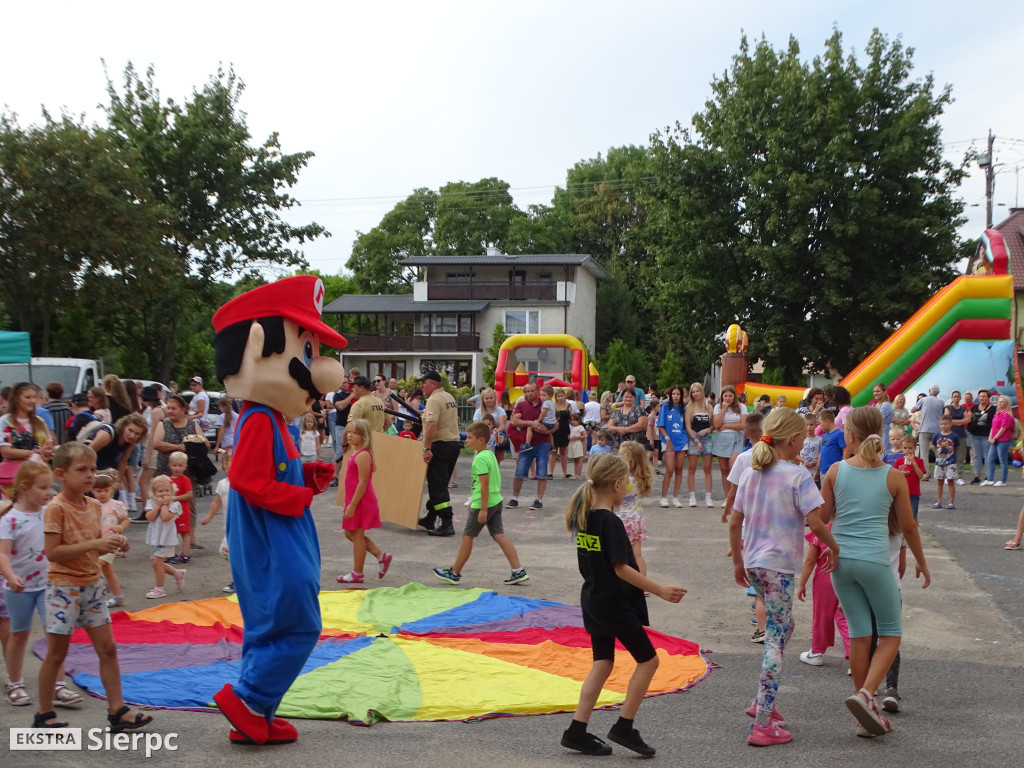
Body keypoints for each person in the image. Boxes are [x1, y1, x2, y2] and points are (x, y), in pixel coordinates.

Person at [209, 274, 342, 746]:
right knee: (297, 621)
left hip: (279, 527)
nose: (320, 372)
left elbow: (273, 471)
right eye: (306, 354)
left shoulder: (272, 420)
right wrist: (298, 495)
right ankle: (248, 698)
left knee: (271, 622)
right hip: (271, 534)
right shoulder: (261, 418)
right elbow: (247, 481)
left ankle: (257, 713)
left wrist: (306, 475)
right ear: (258, 346)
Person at [560, 453, 686, 757]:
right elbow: (621, 568)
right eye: (627, 481)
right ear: (617, 484)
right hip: (613, 603)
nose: (629, 485)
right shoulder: (611, 522)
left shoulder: (585, 515)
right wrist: (658, 589)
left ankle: (577, 730)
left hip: (592, 598)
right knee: (649, 661)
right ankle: (624, 726)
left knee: (602, 663)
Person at [820, 406, 931, 738]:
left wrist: (830, 545)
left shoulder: (835, 471)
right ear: (881, 434)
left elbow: (821, 518)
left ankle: (864, 715)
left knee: (859, 634)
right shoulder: (893, 476)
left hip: (842, 564)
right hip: (874, 561)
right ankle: (867, 694)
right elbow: (908, 527)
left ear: (849, 436)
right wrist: (922, 562)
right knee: (891, 634)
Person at [728, 408, 836, 746]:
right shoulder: (797, 476)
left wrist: (738, 562)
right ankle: (762, 723)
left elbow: (734, 522)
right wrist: (835, 547)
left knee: (784, 627)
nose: (806, 441)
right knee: (776, 637)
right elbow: (816, 522)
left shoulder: (751, 473)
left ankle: (762, 699)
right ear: (792, 440)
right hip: (779, 567)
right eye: (804, 436)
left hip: (755, 564)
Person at [34, 442, 153, 732]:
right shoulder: (56, 508)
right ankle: (45, 714)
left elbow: (95, 546)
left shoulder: (94, 505)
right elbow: (53, 552)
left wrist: (116, 542)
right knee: (57, 654)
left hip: (92, 586)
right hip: (63, 589)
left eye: (93, 469)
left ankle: (118, 709)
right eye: (82, 470)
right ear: (61, 473)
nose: (90, 475)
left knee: (108, 649)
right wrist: (97, 544)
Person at [0, 462, 82, 709]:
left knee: (54, 635)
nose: (49, 492)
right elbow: (3, 554)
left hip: (50, 585)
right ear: (23, 489)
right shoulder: (10, 519)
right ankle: (14, 683)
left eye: (50, 487)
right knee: (19, 634)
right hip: (19, 587)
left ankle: (58, 686)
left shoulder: (50, 511)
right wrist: (11, 576)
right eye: (43, 487)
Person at [433, 421, 528, 586]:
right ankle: (518, 570)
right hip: (495, 501)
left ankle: (455, 573)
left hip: (485, 504)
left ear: (481, 440)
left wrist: (482, 508)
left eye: (470, 438)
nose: (467, 440)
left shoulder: (480, 459)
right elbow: (483, 485)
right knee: (499, 535)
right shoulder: (489, 454)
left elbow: (484, 485)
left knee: (467, 537)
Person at [336, 419, 391, 584]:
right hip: (354, 499)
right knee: (350, 533)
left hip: (360, 501)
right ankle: (381, 556)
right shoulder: (356, 453)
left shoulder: (363, 455)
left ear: (364, 436)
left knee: (357, 534)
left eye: (354, 433)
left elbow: (363, 482)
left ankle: (357, 573)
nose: (350, 435)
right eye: (349, 432)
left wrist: (352, 505)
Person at [796, 521, 850, 670]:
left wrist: (802, 583)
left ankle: (817, 651)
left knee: (821, 615)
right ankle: (855, 655)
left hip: (825, 577)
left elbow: (811, 560)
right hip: (848, 576)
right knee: (845, 617)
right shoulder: (851, 528)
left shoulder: (822, 530)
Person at [415, 371, 462, 537]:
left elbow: (432, 425)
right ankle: (430, 517)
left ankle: (446, 523)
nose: (421, 386)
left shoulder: (434, 400)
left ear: (434, 384)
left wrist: (426, 449)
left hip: (440, 445)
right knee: (440, 482)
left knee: (437, 485)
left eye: (424, 382)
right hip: (453, 443)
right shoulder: (448, 397)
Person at [0, 382, 54, 498]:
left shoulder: (39, 422)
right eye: (27, 397)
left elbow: (48, 447)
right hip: (12, 478)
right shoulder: (5, 422)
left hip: (38, 477)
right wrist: (32, 453)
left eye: (34, 397)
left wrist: (47, 453)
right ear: (16, 399)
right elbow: (5, 451)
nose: (32, 401)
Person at [507, 381, 552, 511]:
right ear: (525, 392)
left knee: (542, 472)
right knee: (520, 471)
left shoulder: (546, 404)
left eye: (532, 391)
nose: (530, 393)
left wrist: (548, 431)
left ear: (538, 391)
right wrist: (531, 423)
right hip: (525, 444)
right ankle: (515, 498)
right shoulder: (521, 405)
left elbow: (556, 424)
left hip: (543, 442)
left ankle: (539, 499)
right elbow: (515, 421)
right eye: (527, 391)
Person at [144, 474, 187, 599]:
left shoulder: (175, 504)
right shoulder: (151, 503)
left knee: (157, 563)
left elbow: (165, 518)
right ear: (154, 492)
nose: (164, 494)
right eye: (160, 491)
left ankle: (160, 588)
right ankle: (177, 574)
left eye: (167, 491)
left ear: (172, 491)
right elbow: (149, 517)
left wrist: (164, 505)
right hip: (155, 537)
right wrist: (157, 505)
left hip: (166, 538)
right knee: (157, 562)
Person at [93, 471, 130, 608]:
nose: (102, 494)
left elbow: (126, 520)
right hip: (98, 542)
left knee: (95, 566)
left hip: (111, 542)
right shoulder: (91, 504)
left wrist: (119, 528)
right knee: (107, 570)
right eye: (98, 491)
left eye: (106, 490)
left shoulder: (115, 505)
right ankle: (118, 596)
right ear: (92, 490)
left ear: (111, 489)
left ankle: (96, 596)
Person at [616, 441, 654, 576]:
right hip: (637, 519)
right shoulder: (640, 476)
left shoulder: (623, 479)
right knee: (637, 555)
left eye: (620, 455)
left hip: (622, 520)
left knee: (619, 555)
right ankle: (643, 586)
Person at [201, 448, 235, 593]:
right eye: (229, 463)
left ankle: (239, 580)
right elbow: (217, 502)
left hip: (242, 526)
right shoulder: (222, 484)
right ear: (225, 465)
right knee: (225, 552)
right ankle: (240, 578)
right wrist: (209, 516)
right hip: (228, 526)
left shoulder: (244, 483)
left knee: (235, 554)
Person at [152, 394, 207, 478]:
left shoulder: (192, 424)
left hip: (188, 474)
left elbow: (206, 444)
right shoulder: (163, 424)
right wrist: (177, 447)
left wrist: (193, 445)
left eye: (173, 408)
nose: (170, 411)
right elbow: (156, 444)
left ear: (183, 409)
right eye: (168, 408)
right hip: (166, 474)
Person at [712, 385, 745, 508]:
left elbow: (743, 425)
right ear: (722, 397)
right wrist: (724, 410)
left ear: (734, 396)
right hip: (722, 440)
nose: (727, 398)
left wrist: (726, 426)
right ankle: (728, 498)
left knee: (733, 468)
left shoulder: (741, 407)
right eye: (725, 396)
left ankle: (736, 497)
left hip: (736, 439)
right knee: (724, 470)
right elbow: (716, 424)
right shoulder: (718, 407)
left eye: (730, 396)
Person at [657, 385, 688, 507]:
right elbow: (660, 425)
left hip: (682, 441)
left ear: (681, 396)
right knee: (670, 469)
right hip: (668, 441)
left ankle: (675, 497)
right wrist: (667, 438)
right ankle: (663, 497)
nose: (676, 396)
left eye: (678, 394)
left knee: (679, 469)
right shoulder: (665, 407)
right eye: (674, 394)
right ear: (670, 395)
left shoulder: (683, 409)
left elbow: (686, 426)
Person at [685, 382, 714, 508]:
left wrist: (707, 430)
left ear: (702, 392)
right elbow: (687, 426)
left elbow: (713, 425)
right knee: (692, 469)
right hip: (693, 439)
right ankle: (692, 496)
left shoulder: (709, 407)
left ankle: (708, 497)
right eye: (693, 392)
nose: (696, 394)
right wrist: (696, 440)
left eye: (697, 391)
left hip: (707, 438)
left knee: (708, 469)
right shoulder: (689, 408)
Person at [981, 395, 1015, 486]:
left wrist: (995, 438)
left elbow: (1003, 428)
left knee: (1002, 460)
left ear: (1007, 403)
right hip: (995, 440)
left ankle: (1003, 481)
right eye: (999, 401)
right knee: (990, 459)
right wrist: (990, 437)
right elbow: (993, 427)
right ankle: (990, 479)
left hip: (1003, 440)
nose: (999, 403)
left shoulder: (1007, 414)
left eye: (1002, 402)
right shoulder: (998, 413)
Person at [893, 436, 926, 520]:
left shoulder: (919, 461)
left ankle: (912, 530)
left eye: (910, 448)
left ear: (915, 448)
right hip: (901, 493)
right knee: (900, 516)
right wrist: (901, 474)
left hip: (913, 493)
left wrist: (914, 463)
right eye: (905, 448)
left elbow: (921, 476)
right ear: (901, 448)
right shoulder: (899, 461)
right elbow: (894, 475)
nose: (907, 450)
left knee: (912, 516)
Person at [967, 389, 996, 484]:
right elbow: (969, 419)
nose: (982, 398)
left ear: (988, 397)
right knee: (977, 456)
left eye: (984, 396)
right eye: (980, 396)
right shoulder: (974, 408)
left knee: (987, 456)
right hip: (975, 434)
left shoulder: (993, 409)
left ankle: (988, 476)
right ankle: (977, 476)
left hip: (987, 435)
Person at [911, 385, 944, 468]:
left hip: (924, 429)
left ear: (929, 391)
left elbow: (913, 410)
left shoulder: (923, 400)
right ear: (938, 393)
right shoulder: (941, 402)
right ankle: (940, 472)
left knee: (924, 453)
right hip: (937, 429)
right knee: (939, 452)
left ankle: (925, 474)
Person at [472, 389, 508, 463]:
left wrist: (497, 431)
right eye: (487, 398)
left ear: (495, 398)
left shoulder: (500, 410)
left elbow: (502, 425)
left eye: (491, 398)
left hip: (496, 437)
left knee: (495, 462)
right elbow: (476, 425)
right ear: (483, 399)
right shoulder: (479, 412)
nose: (489, 400)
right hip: (482, 438)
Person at [931, 416, 960, 509]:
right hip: (939, 462)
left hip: (951, 462)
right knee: (940, 481)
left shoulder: (954, 436)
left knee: (950, 481)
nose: (944, 426)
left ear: (950, 424)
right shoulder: (937, 435)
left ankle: (951, 502)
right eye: (942, 424)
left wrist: (950, 455)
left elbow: (957, 447)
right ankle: (939, 501)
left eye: (946, 424)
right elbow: (935, 446)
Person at [944, 390, 969, 484]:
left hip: (961, 435)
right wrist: (960, 421)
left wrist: (953, 421)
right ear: (952, 397)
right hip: (949, 435)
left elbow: (967, 420)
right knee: (949, 456)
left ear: (960, 398)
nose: (956, 398)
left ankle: (959, 477)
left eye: (958, 396)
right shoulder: (948, 407)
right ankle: (948, 476)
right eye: (954, 396)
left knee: (960, 457)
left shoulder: (963, 409)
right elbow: (946, 419)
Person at [548, 388, 573, 479]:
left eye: (562, 395)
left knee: (563, 452)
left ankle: (565, 472)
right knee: (553, 452)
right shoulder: (553, 406)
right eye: (558, 396)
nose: (560, 398)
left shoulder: (568, 405)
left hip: (565, 429)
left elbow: (570, 419)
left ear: (564, 396)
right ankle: (550, 472)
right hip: (555, 429)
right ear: (556, 397)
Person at [523, 385, 557, 451]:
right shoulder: (551, 403)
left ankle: (527, 444)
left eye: (544, 395)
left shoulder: (546, 403)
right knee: (549, 433)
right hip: (552, 423)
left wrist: (538, 421)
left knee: (530, 427)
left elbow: (543, 413)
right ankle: (552, 446)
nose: (542, 397)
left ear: (550, 396)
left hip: (546, 422)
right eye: (541, 395)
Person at [817, 409, 845, 476]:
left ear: (826, 421)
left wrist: (843, 468)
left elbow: (846, 451)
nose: (819, 426)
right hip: (823, 470)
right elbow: (821, 453)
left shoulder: (839, 434)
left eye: (820, 423)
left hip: (834, 471)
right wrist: (817, 469)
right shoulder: (824, 435)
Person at [798, 413, 821, 482]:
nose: (808, 427)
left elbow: (821, 455)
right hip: (802, 471)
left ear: (816, 425)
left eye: (811, 425)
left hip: (813, 472)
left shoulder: (820, 440)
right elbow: (795, 455)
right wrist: (803, 460)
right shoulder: (800, 438)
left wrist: (815, 462)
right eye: (806, 425)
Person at [873, 384, 895, 450]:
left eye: (878, 391)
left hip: (884, 433)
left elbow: (879, 420)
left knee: (883, 453)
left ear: (884, 392)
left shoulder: (886, 405)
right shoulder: (874, 405)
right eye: (874, 391)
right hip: (876, 433)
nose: (875, 393)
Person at [566, 412, 587, 479]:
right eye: (572, 420)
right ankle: (575, 474)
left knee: (578, 459)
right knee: (575, 459)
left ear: (578, 420)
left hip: (577, 443)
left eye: (575, 420)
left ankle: (578, 474)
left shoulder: (580, 427)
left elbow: (585, 435)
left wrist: (577, 437)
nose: (573, 422)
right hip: (572, 443)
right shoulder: (573, 428)